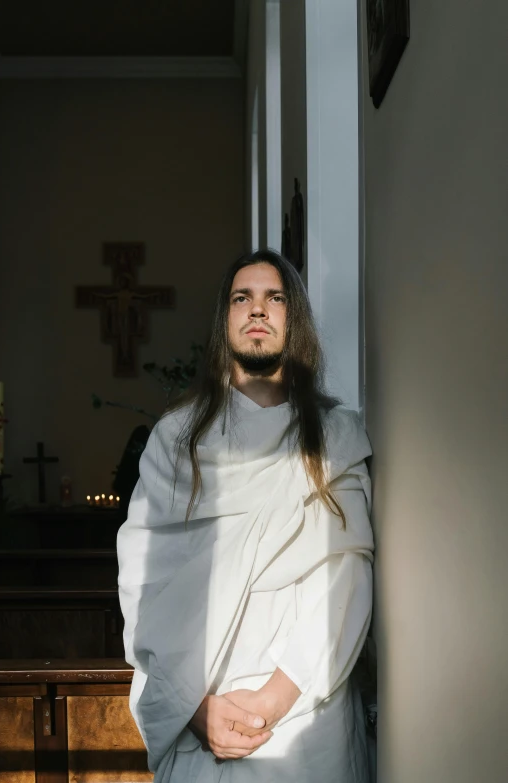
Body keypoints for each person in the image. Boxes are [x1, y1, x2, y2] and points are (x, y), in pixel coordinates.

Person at [117, 249, 374, 782]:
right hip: (201, 715)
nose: (257, 309)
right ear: (225, 320)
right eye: (242, 298)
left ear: (292, 318)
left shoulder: (336, 438)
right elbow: (143, 582)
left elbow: (346, 584)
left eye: (274, 298)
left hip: (306, 716)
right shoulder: (175, 439)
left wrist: (273, 702)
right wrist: (195, 709)